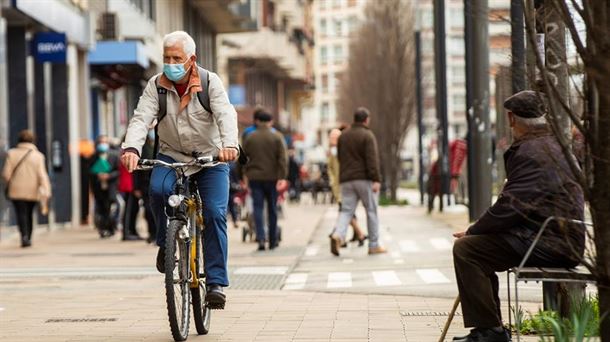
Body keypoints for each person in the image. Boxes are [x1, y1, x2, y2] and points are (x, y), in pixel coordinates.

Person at [451, 90, 585, 342]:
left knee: (467, 250)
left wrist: (474, 229)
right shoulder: (554, 144)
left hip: (549, 241)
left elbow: (511, 207)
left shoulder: (532, 152)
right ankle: (488, 329)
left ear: (512, 118)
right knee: (477, 249)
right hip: (556, 236)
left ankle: (490, 332)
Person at [121, 31, 238, 309]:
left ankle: (216, 283)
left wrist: (230, 145)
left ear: (191, 60)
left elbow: (225, 114)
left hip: (211, 159)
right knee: (158, 191)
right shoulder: (156, 86)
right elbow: (141, 119)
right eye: (166, 58)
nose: (170, 63)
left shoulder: (210, 83)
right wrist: (132, 149)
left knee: (214, 213)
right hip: (171, 156)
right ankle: (166, 242)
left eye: (177, 58)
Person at [329, 107, 386, 256]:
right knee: (371, 211)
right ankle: (373, 245)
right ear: (366, 120)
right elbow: (372, 160)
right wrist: (376, 179)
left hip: (346, 180)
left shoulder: (343, 136)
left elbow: (340, 158)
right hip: (364, 179)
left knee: (346, 211)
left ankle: (338, 235)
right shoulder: (367, 135)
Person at [242, 111, 288, 251]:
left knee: (258, 208)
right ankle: (272, 240)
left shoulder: (250, 137)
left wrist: (243, 176)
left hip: (255, 178)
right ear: (270, 121)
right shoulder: (277, 137)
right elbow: (283, 159)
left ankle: (261, 238)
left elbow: (242, 159)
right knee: (272, 209)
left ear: (257, 121)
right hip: (272, 178)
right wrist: (282, 177)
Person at [2, 130, 51, 247]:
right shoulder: (38, 156)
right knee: (29, 213)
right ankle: (28, 237)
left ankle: (23, 236)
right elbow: (42, 174)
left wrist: (10, 182)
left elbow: (6, 174)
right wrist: (46, 189)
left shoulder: (11, 153)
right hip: (32, 190)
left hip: (16, 190)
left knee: (21, 213)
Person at [327, 128, 367, 247]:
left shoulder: (336, 151)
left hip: (342, 186)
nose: (332, 139)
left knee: (345, 211)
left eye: (334, 137)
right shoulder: (335, 151)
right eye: (331, 137)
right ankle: (352, 235)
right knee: (347, 211)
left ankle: (348, 235)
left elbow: (335, 170)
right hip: (340, 185)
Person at [89, 135, 120, 238]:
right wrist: (98, 176)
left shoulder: (114, 156)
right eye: (101, 142)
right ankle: (102, 229)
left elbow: (118, 171)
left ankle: (112, 227)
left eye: (105, 142)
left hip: (111, 187)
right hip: (98, 188)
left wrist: (109, 176)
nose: (103, 145)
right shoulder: (93, 157)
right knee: (101, 209)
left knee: (112, 207)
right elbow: (89, 173)